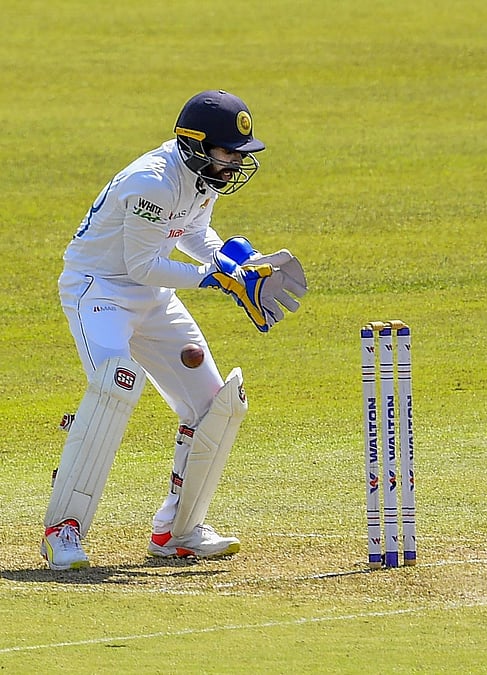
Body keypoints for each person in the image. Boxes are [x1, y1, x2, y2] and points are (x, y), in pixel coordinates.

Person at [41, 90, 308, 570]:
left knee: (215, 404)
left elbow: (191, 233)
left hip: (153, 295)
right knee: (113, 392)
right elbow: (142, 265)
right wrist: (216, 278)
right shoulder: (152, 183)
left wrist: (233, 262)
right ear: (194, 144)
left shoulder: (204, 176)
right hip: (99, 291)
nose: (234, 164)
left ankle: (178, 532)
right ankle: (63, 531)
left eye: (239, 155)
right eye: (227, 153)